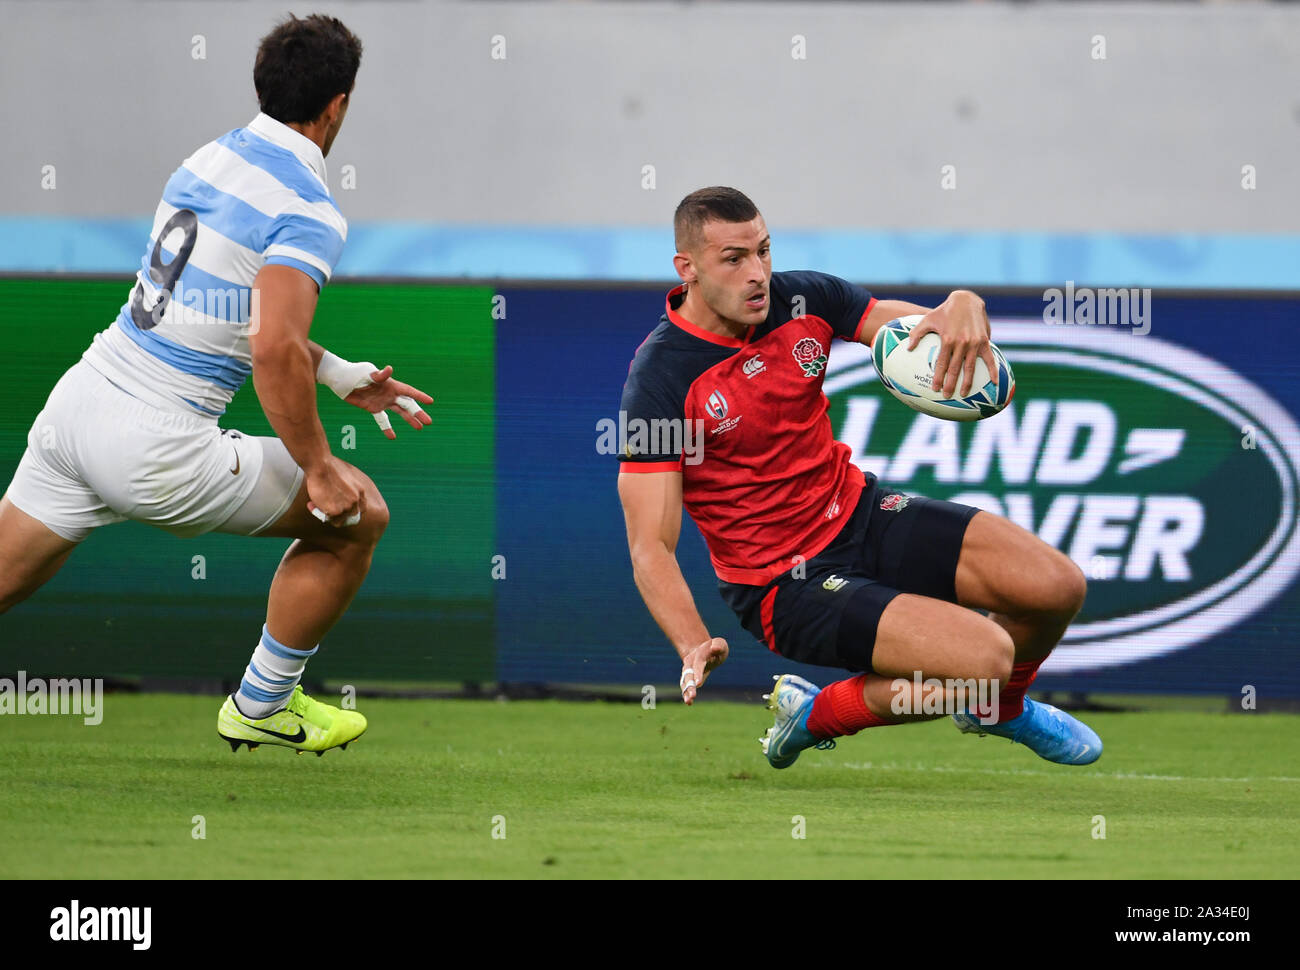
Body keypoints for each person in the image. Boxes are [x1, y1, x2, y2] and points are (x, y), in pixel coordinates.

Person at [0, 14, 433, 756]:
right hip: (157, 446)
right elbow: (269, 345)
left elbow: (220, 309)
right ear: (338, 105)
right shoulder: (307, 207)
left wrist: (333, 373)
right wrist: (321, 467)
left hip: (80, 403)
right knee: (359, 515)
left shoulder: (205, 160)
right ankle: (263, 704)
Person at [616, 186, 1101, 769]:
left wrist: (962, 304)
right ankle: (815, 715)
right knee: (985, 660)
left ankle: (999, 708)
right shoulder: (660, 380)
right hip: (782, 585)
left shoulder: (803, 298)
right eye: (734, 258)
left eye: (764, 251)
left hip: (862, 512)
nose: (758, 273)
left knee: (1057, 587)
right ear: (687, 269)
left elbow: (911, 329)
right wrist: (693, 640)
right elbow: (650, 545)